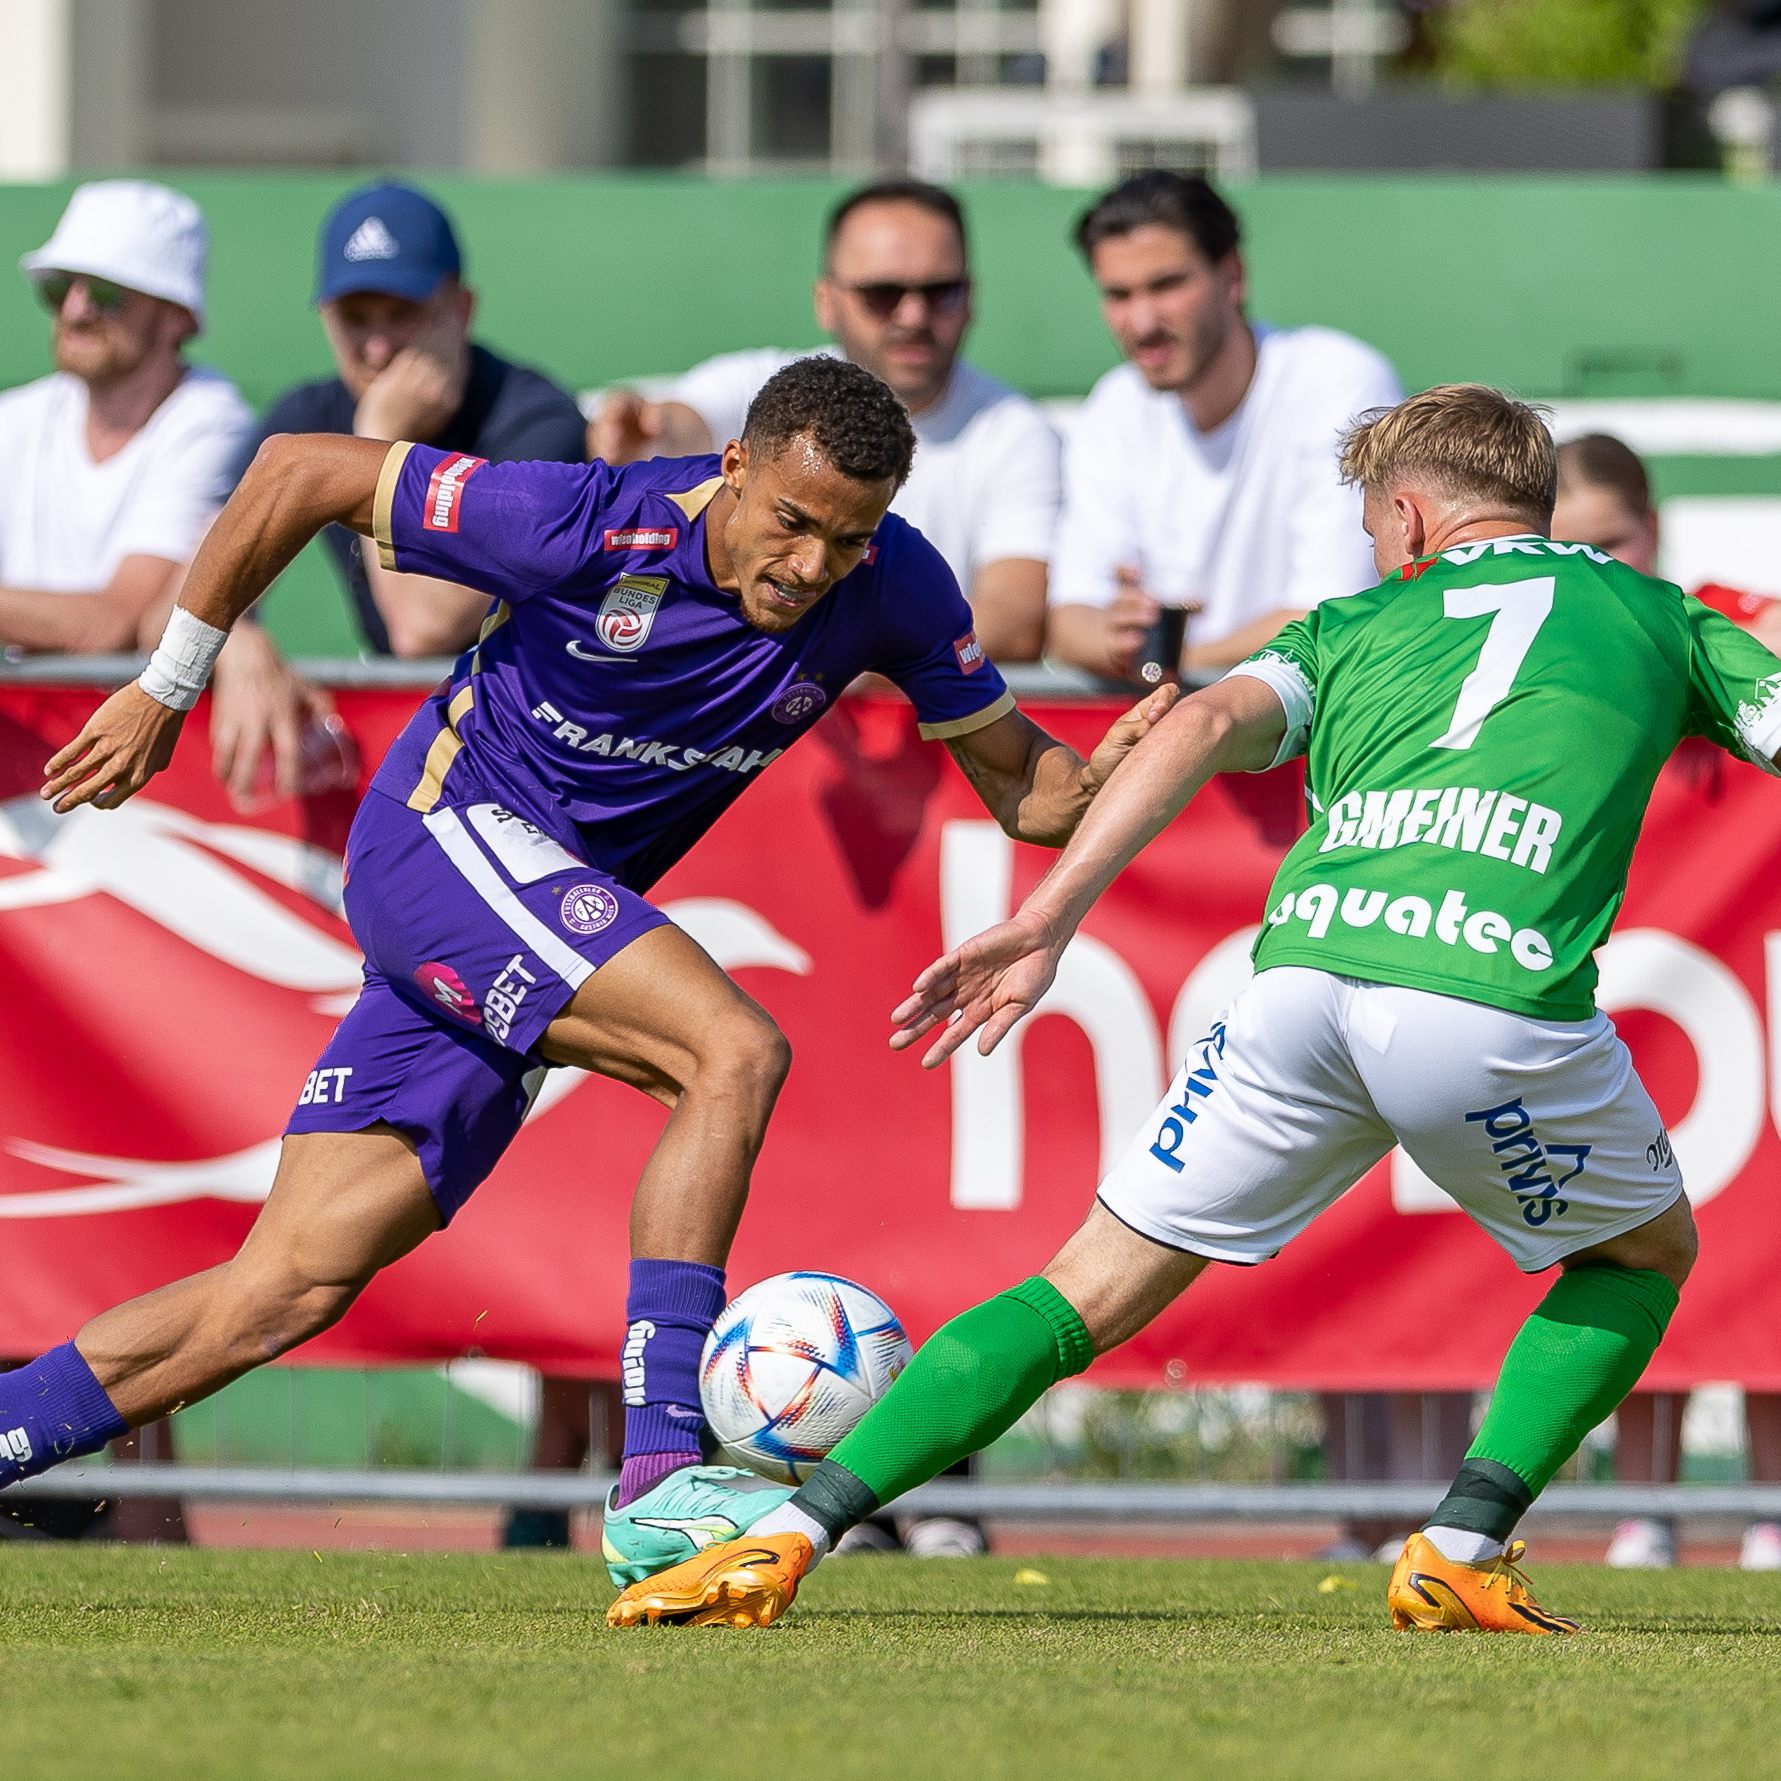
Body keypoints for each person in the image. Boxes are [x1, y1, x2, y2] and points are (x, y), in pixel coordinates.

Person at [611, 383, 1780, 1634]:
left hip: (1300, 987)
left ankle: (787, 1532)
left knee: (1081, 1290)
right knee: (1640, 1254)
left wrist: (1047, 915)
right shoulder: (1662, 614)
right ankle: (1456, 1540)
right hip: (1484, 996)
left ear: (1407, 517)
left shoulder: (1355, 619)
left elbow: (1204, 715)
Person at [26, 356, 1173, 1590]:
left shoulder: (892, 583)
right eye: (789, 522)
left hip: (526, 911)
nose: (808, 565)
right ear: (733, 467)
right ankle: (659, 1477)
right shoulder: (585, 517)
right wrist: (167, 683)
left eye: (845, 538)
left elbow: (1025, 793)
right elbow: (297, 469)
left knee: (281, 1289)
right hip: (439, 842)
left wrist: (1113, 776)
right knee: (729, 1050)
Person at [1552, 430, 1781, 1572]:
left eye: (1612, 541)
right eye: (1568, 545)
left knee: (1762, 1245)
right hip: (1615, 962)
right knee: (1632, 1231)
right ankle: (1639, 1506)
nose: (1592, 562)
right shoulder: (1546, 632)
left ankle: (1765, 1506)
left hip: (1737, 971)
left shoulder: (1707, 611)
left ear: (1656, 532)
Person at [591, 180, 1058, 664]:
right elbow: (673, 430)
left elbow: (1014, 623)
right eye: (882, 294)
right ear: (826, 300)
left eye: (941, 292)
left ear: (971, 298)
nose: (914, 314)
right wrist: (643, 435)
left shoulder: (1014, 431)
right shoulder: (764, 388)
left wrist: (824, 643)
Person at [0, 179, 331, 812]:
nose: (73, 310)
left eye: (104, 293)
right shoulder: (19, 418)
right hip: (54, 788)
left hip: (145, 790)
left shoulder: (213, 423)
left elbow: (116, 624)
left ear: (178, 314)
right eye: (57, 288)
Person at [1045, 170, 1402, 683]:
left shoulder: (1339, 381)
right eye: (1118, 295)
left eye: (1166, 285)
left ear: (1233, 276)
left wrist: (1167, 662)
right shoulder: (1114, 405)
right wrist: (1118, 636)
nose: (1141, 322)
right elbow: (1068, 622)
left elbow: (1332, 617)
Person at [241, 182, 589, 662]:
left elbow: (423, 632)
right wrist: (237, 638)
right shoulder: (309, 417)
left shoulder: (536, 422)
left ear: (462, 310)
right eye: (355, 318)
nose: (378, 349)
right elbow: (187, 596)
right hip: (415, 717)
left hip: (538, 716)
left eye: (403, 314)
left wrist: (379, 441)